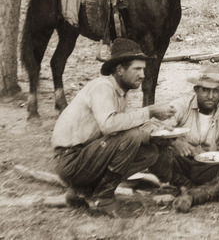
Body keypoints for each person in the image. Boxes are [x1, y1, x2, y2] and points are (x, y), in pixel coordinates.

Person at [52, 38, 176, 217]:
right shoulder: (103, 87)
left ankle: (82, 191)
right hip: (70, 160)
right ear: (120, 70)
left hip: (84, 156)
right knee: (132, 137)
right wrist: (149, 112)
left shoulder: (118, 92)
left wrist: (154, 130)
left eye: (143, 69)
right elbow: (109, 125)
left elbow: (119, 125)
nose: (143, 74)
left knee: (150, 153)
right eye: (137, 69)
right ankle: (103, 198)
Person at [149, 63, 219, 213]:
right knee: (155, 151)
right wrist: (174, 141)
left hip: (207, 168)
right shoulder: (180, 106)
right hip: (180, 164)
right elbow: (155, 127)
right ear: (196, 90)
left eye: (215, 91)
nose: (210, 96)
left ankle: (192, 196)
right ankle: (188, 186)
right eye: (205, 90)